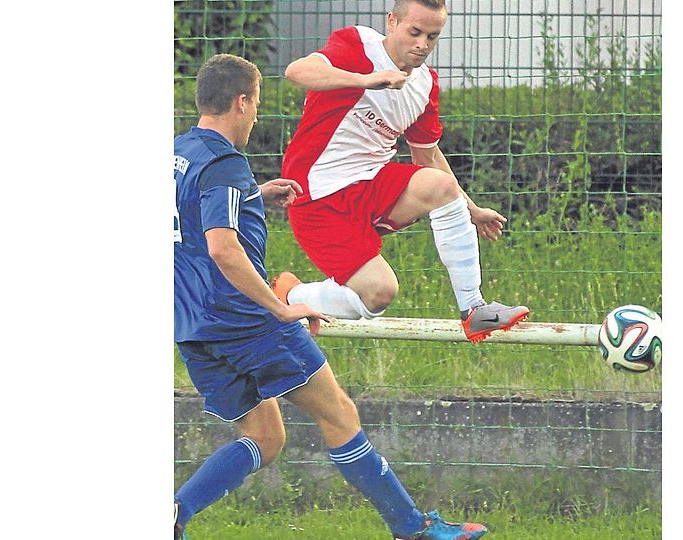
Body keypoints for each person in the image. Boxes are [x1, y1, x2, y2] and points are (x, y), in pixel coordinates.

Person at [174, 53, 489, 540]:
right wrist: (279, 307)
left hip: (192, 325)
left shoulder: (180, 154)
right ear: (241, 102)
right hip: (246, 319)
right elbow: (223, 248)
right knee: (339, 414)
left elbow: (191, 218)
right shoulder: (224, 162)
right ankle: (413, 529)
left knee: (266, 437)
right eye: (256, 103)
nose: (256, 114)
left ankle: (173, 514)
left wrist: (254, 195)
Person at [274, 0, 529, 343]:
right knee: (379, 294)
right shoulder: (357, 45)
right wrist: (367, 80)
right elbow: (296, 72)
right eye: (415, 32)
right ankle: (290, 296)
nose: (422, 44)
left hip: (370, 186)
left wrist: (472, 211)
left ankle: (474, 310)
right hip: (315, 195)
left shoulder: (425, 85)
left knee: (438, 185)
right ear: (392, 22)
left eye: (432, 36)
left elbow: (428, 157)